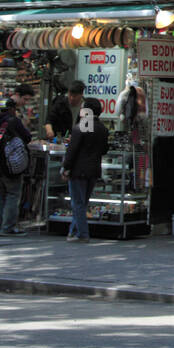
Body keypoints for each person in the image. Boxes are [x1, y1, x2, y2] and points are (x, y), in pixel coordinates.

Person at [0, 83, 35, 238]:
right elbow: (27, 137)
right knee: (12, 193)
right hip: (10, 164)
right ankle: (8, 227)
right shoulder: (13, 121)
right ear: (11, 109)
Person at [61, 97, 108, 243]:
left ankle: (82, 233)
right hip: (93, 170)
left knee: (78, 203)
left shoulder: (80, 127)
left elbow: (72, 150)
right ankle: (74, 231)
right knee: (83, 202)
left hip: (78, 170)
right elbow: (104, 150)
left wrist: (66, 167)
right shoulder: (103, 129)